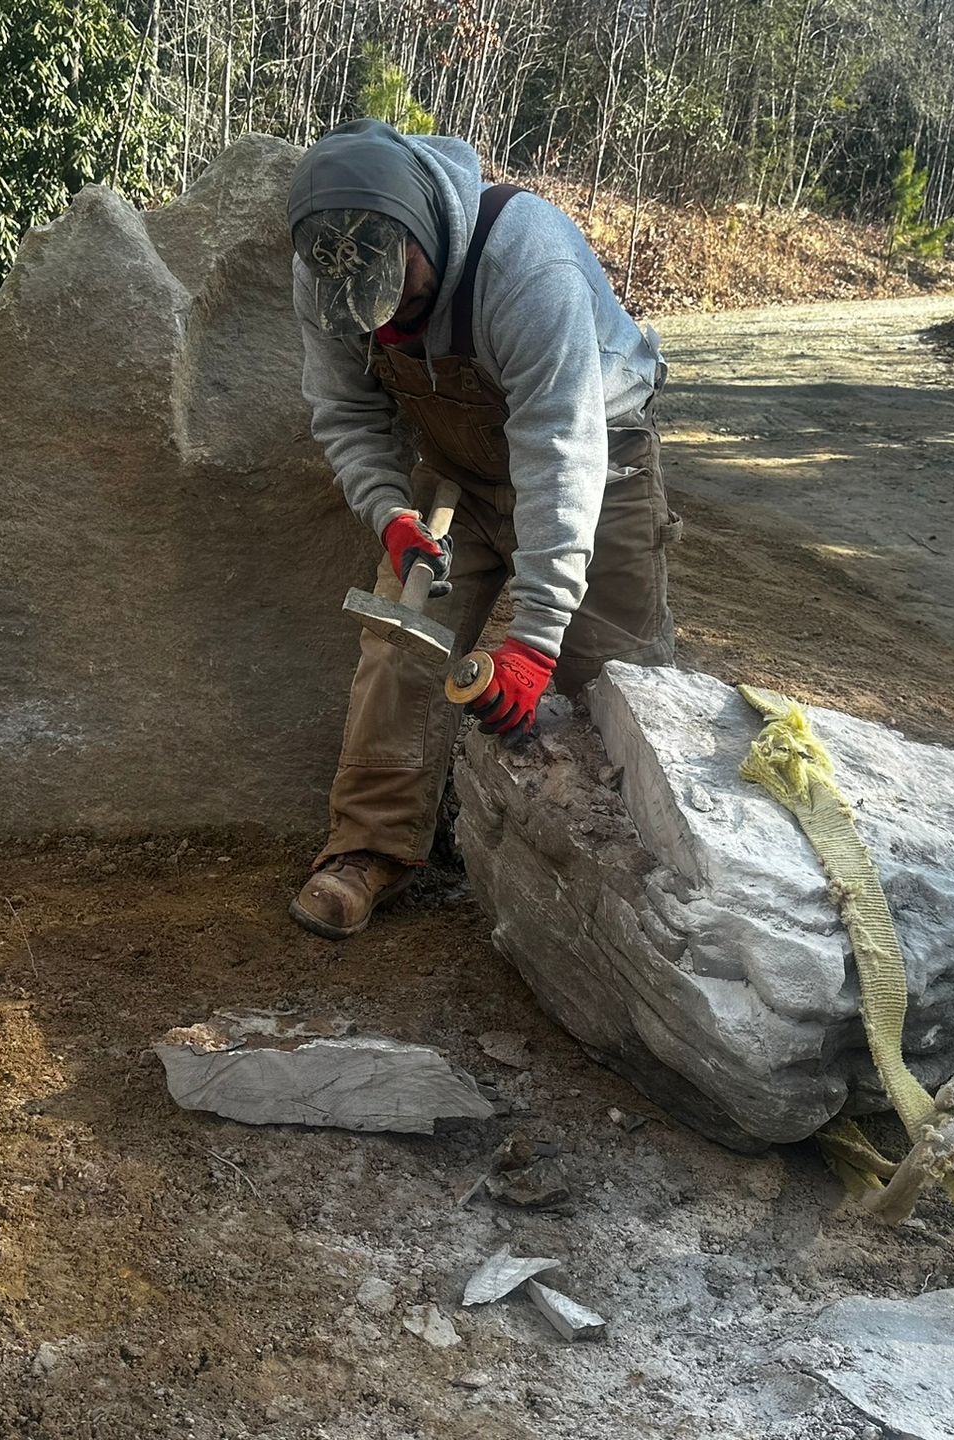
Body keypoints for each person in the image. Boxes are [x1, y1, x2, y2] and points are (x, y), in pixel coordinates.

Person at [286, 119, 677, 940]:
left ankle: (630, 896)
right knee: (400, 649)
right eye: (370, 320)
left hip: (599, 462)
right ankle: (370, 850)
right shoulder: (328, 270)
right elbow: (348, 413)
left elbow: (560, 446)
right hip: (457, 472)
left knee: (608, 676)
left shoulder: (525, 260)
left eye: (407, 299)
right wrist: (391, 515)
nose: (388, 327)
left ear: (425, 230)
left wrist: (534, 640)